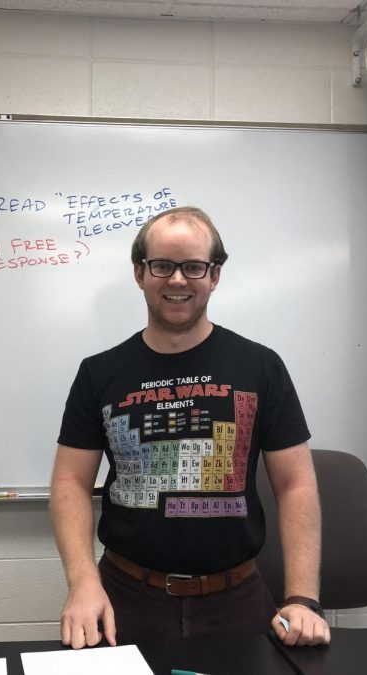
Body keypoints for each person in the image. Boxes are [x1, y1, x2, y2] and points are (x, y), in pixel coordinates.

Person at [50, 206, 330, 650]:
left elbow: (295, 483)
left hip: (237, 601)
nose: (177, 280)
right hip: (123, 599)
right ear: (139, 273)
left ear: (214, 275)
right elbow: (69, 481)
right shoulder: (98, 373)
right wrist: (83, 583)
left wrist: (302, 599)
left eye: (193, 267)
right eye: (162, 265)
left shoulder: (261, 367)